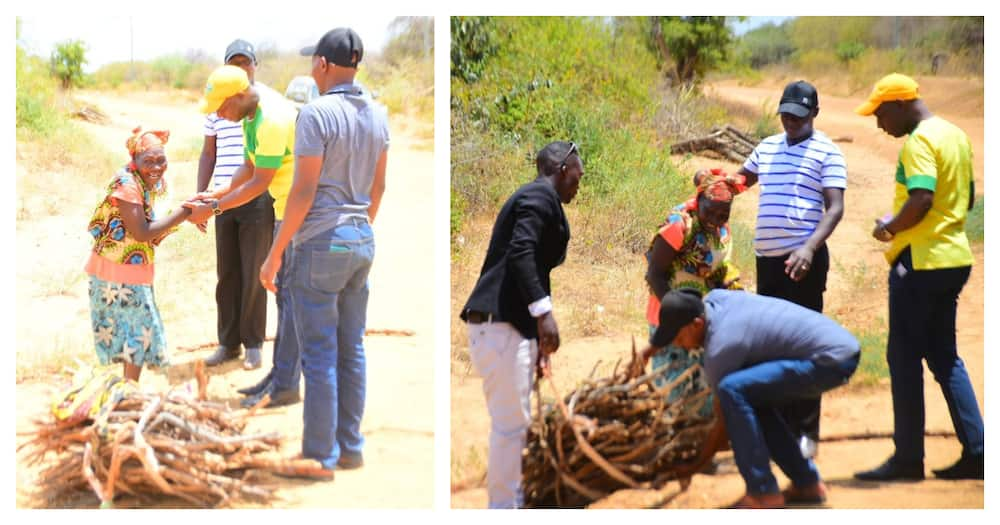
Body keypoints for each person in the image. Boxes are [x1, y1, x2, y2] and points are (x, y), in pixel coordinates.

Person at [258, 27, 389, 481]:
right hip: (360, 239)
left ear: (324, 65)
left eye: (313, 59)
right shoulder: (379, 114)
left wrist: (276, 253)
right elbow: (379, 188)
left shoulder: (314, 114)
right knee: (351, 348)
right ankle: (350, 448)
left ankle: (318, 455)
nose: (312, 66)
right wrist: (357, 227)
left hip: (321, 242)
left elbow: (303, 191)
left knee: (318, 353)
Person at [853, 73, 984, 481]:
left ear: (898, 105)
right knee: (944, 356)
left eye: (880, 114)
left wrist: (890, 227)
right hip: (953, 257)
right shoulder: (955, 135)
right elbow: (969, 196)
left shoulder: (919, 141)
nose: (878, 124)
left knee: (903, 357)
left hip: (922, 262)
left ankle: (908, 459)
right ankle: (979, 452)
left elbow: (922, 197)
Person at [640, 288, 859, 509]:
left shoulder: (721, 348)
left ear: (697, 324)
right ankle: (807, 483)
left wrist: (696, 464)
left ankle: (762, 492)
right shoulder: (716, 299)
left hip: (829, 362)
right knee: (750, 396)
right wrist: (647, 351)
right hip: (838, 347)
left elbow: (724, 425)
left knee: (732, 391)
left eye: (678, 337)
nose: (677, 344)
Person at [460, 140, 583, 508]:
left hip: (510, 328)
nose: (579, 182)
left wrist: (535, 343)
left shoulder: (543, 201)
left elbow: (534, 270)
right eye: (578, 174)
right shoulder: (538, 197)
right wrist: (544, 315)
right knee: (510, 427)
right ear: (562, 168)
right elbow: (522, 252)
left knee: (515, 424)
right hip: (499, 327)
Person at [737, 80, 847, 458]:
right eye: (785, 114)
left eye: (798, 116)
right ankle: (778, 431)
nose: (790, 121)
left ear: (814, 114)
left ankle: (806, 434)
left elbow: (834, 208)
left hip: (804, 263)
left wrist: (808, 248)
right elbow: (741, 181)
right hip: (767, 263)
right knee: (771, 348)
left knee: (805, 349)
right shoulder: (766, 147)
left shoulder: (827, 153)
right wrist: (713, 184)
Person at [186, 65, 301, 408]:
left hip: (299, 214)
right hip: (285, 209)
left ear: (238, 96)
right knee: (281, 297)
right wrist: (213, 194)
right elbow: (247, 168)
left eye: (222, 107)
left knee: (288, 298)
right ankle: (279, 380)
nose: (219, 115)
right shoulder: (250, 115)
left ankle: (284, 384)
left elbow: (258, 184)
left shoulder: (272, 119)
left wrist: (215, 208)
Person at [85, 127, 194, 382]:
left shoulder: (147, 182)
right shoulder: (126, 184)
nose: (156, 167)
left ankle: (126, 390)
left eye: (161, 160)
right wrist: (187, 212)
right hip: (117, 271)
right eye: (149, 161)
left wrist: (190, 213)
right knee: (136, 331)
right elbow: (142, 232)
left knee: (131, 331)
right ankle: (128, 389)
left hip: (129, 268)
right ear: (134, 160)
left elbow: (157, 222)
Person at [198, 39, 275, 371]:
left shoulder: (261, 106)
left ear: (255, 66)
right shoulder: (218, 106)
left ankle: (254, 343)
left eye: (247, 63)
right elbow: (208, 153)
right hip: (224, 197)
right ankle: (228, 343)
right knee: (227, 272)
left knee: (255, 271)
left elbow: (258, 168)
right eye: (235, 64)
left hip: (258, 197)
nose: (243, 68)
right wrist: (201, 195)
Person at [644, 168, 745, 416]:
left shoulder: (722, 229)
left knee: (702, 392)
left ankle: (696, 449)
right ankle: (669, 448)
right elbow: (654, 273)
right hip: (669, 317)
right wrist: (677, 317)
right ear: (699, 198)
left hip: (701, 322)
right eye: (709, 210)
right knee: (671, 392)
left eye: (723, 214)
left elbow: (718, 268)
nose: (715, 218)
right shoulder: (679, 225)